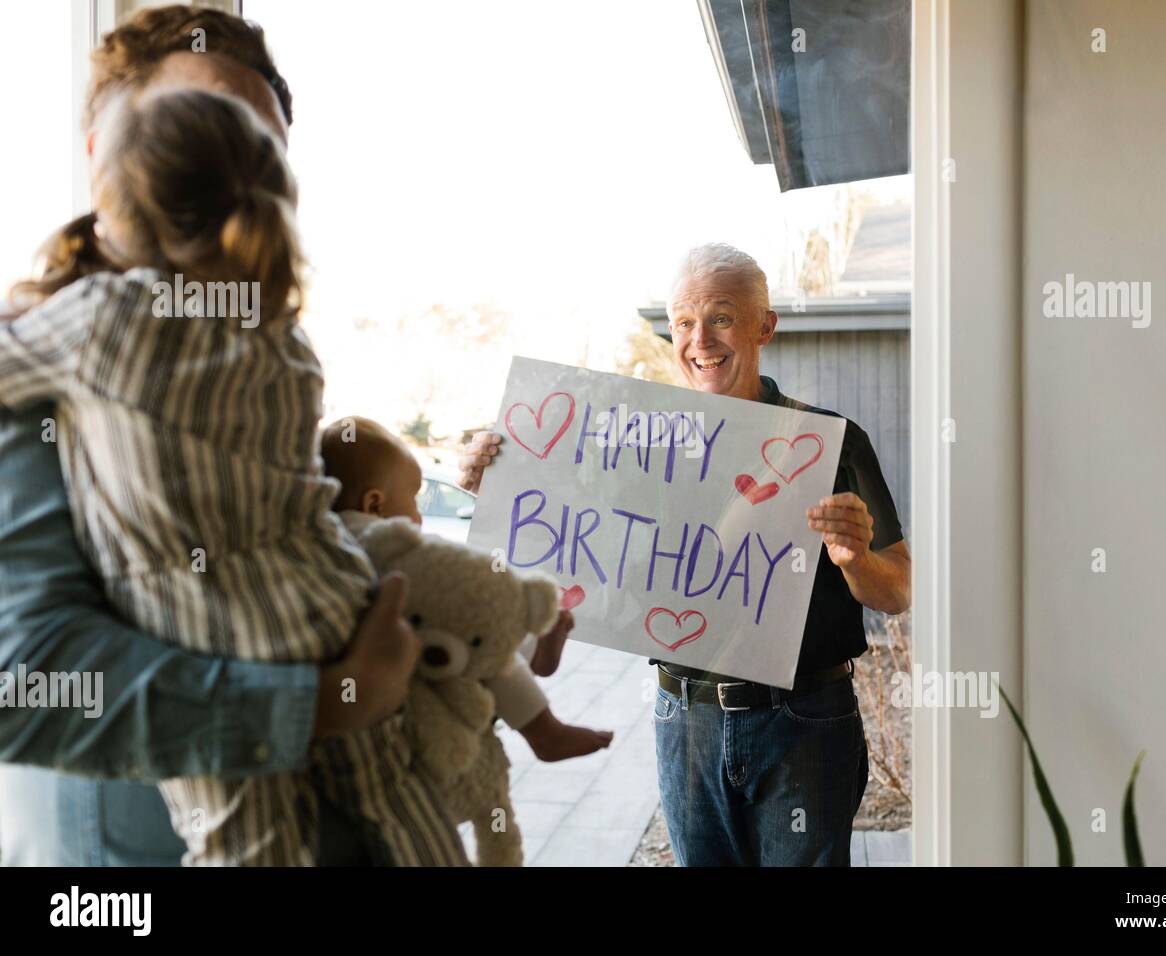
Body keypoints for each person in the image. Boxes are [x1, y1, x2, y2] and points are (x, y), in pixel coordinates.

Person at [1, 85, 471, 866]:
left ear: (116, 210)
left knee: (244, 848)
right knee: (399, 812)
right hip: (331, 605)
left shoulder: (99, 320)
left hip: (222, 635)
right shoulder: (282, 339)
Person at [458, 243, 912, 866]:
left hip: (804, 719)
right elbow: (567, 529)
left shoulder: (828, 441)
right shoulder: (636, 444)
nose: (701, 338)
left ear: (765, 326)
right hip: (683, 715)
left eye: (722, 317)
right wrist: (496, 483)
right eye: (683, 322)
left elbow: (897, 591)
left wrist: (856, 557)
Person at [320, 416, 614, 761]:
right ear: (374, 505)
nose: (419, 516)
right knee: (487, 640)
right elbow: (464, 572)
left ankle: (537, 657)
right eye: (413, 500)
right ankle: (545, 730)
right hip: (413, 655)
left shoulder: (327, 540)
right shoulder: (378, 539)